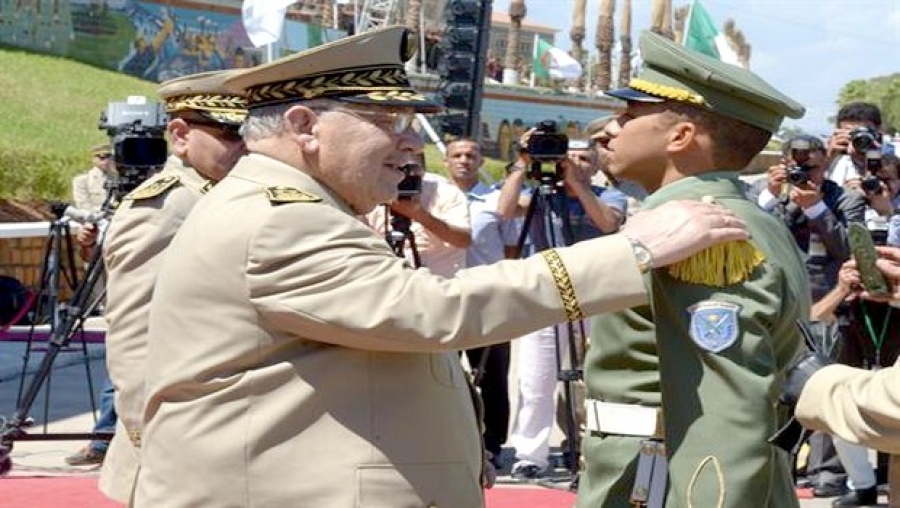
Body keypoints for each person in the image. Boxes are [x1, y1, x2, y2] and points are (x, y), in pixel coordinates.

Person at [133, 26, 750, 507]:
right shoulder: (279, 216)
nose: (409, 143)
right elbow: (430, 311)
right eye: (385, 121)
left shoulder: (290, 205)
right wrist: (631, 252)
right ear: (303, 126)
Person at [577, 31, 809, 508]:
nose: (607, 130)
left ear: (681, 137)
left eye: (629, 115)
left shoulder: (702, 235)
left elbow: (722, 410)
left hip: (662, 479)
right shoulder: (743, 219)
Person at [96, 70, 247, 501]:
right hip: (176, 449)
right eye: (231, 133)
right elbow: (132, 336)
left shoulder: (226, 194)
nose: (247, 146)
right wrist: (153, 437)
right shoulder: (167, 206)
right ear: (180, 134)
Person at [498, 135, 628, 479]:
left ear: (596, 167)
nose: (575, 165)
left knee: (594, 379)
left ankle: (588, 449)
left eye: (584, 160)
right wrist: (523, 162)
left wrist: (575, 184)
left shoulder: (609, 196)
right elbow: (504, 211)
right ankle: (530, 455)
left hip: (596, 297)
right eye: (568, 158)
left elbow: (607, 223)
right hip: (546, 295)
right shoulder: (543, 196)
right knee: (535, 381)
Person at [444, 137, 521, 470]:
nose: (464, 160)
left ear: (481, 162)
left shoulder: (496, 202)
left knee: (490, 375)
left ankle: (492, 444)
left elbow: (512, 249)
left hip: (485, 298)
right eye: (457, 155)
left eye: (471, 155)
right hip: (442, 297)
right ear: (446, 161)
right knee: (441, 373)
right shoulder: (430, 196)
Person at [790, 246, 900, 455]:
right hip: (858, 380)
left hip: (887, 383)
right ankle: (864, 487)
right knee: (843, 436)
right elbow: (811, 321)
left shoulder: (893, 300)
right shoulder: (850, 301)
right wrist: (841, 290)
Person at [64, 142, 119, 467]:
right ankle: (103, 438)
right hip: (108, 262)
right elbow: (89, 215)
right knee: (117, 360)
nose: (106, 161)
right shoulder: (86, 182)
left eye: (110, 155)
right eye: (100, 155)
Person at [366, 152, 472, 276]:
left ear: (423, 169)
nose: (404, 175)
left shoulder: (447, 193)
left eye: (411, 169)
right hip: (387, 279)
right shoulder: (373, 193)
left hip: (438, 282)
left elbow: (463, 240)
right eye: (398, 168)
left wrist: (419, 215)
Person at [826, 102, 884, 186]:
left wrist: (876, 155)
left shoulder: (895, 156)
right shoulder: (834, 159)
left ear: (878, 131)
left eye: (865, 132)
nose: (860, 139)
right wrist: (827, 158)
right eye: (852, 133)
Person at [72, 143, 117, 212]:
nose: (106, 161)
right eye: (102, 158)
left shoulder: (118, 178)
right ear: (94, 159)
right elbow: (83, 206)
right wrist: (105, 210)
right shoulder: (82, 180)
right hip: (93, 219)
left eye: (109, 157)